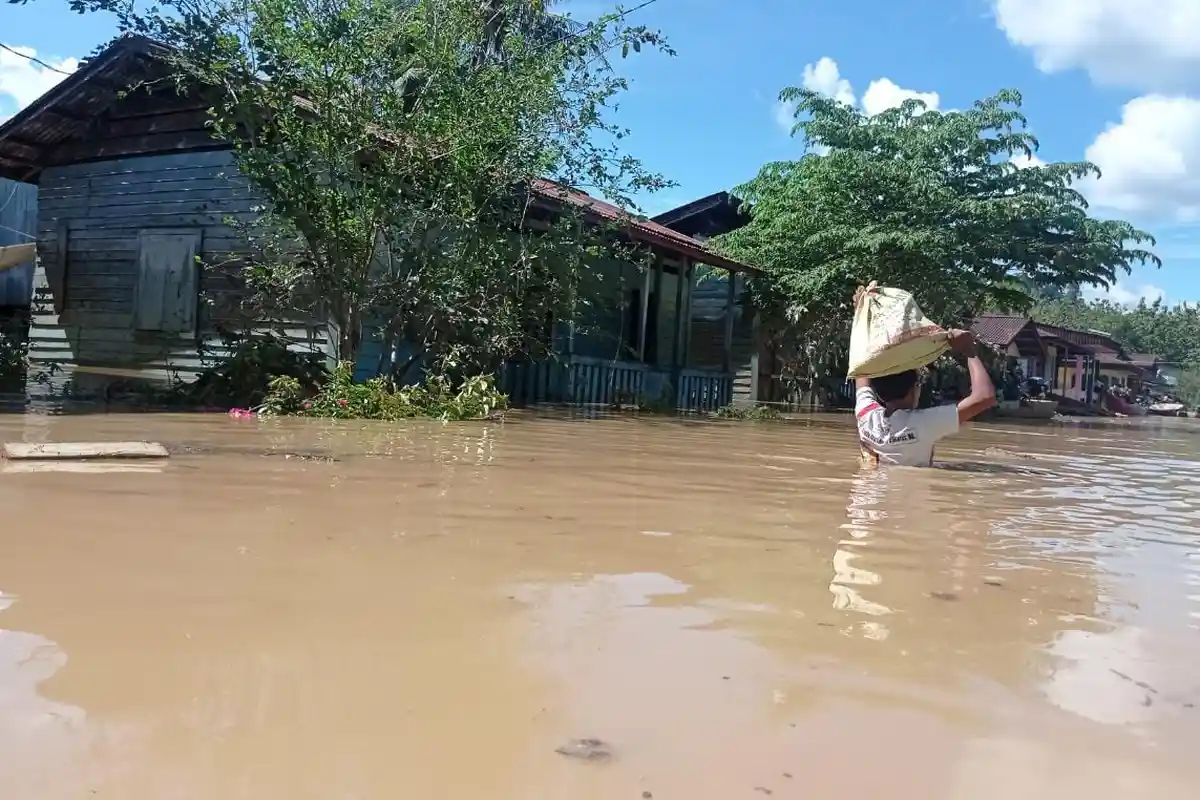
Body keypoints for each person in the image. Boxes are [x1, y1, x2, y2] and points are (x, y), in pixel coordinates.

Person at [853, 289, 996, 467]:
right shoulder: (924, 423)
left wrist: (863, 315)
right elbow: (985, 397)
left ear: (877, 393)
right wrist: (969, 350)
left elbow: (862, 371)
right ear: (914, 390)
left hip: (868, 491)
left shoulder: (866, 414)